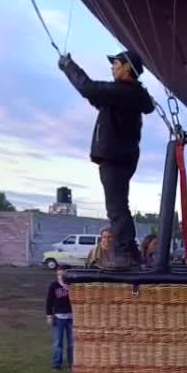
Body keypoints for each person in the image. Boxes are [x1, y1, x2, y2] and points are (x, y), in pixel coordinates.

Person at [58, 49, 156, 270]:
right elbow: (96, 96)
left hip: (114, 155)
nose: (112, 67)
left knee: (116, 208)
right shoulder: (129, 95)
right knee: (120, 206)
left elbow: (88, 88)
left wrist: (68, 66)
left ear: (127, 67)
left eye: (116, 63)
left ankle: (124, 254)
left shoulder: (124, 92)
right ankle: (130, 251)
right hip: (122, 155)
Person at [46, 267, 74, 370]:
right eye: (58, 274)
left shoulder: (72, 286)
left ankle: (72, 364)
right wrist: (49, 316)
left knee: (72, 343)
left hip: (71, 318)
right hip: (58, 318)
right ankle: (56, 364)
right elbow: (49, 302)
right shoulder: (54, 286)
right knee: (58, 343)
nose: (60, 276)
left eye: (63, 274)